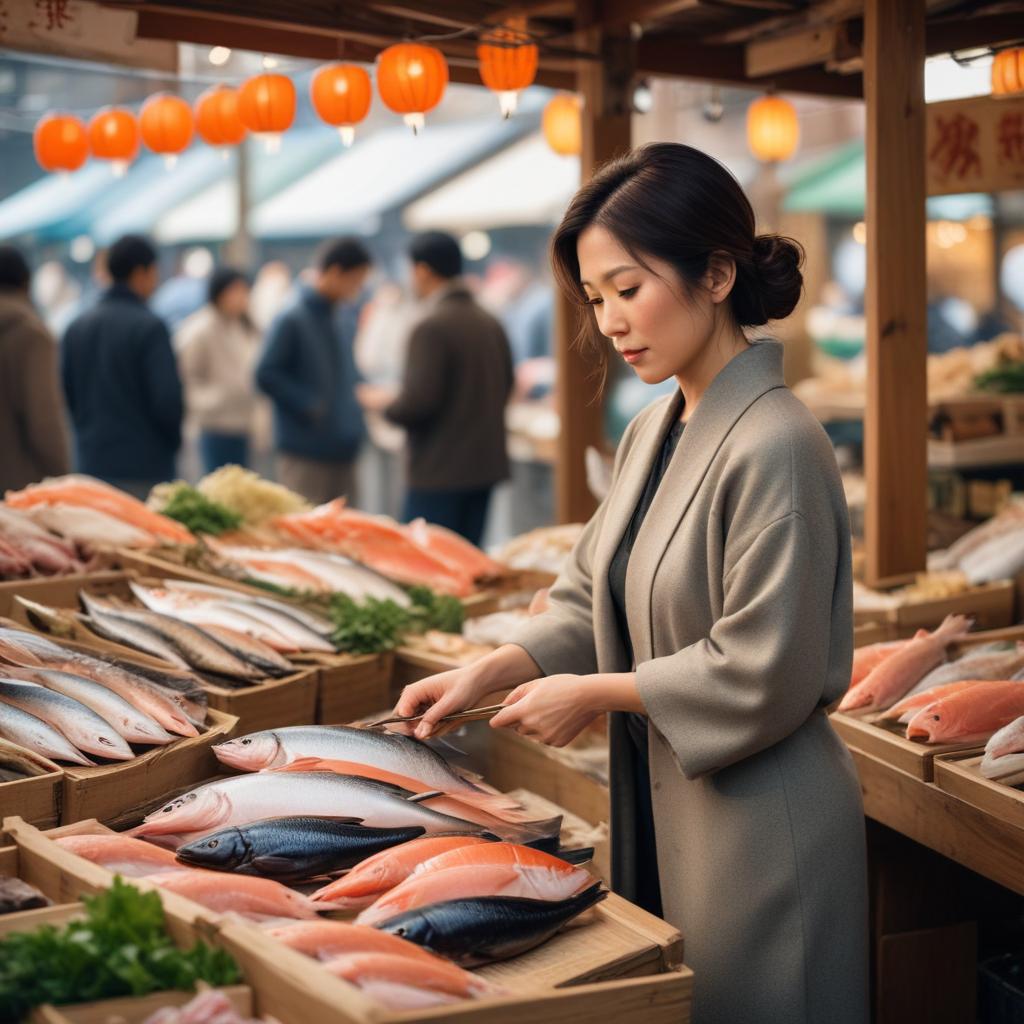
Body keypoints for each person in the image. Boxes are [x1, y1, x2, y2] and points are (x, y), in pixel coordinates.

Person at [391, 144, 868, 1024]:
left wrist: (594, 694)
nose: (610, 320)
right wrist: (491, 670)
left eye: (628, 287)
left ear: (717, 273)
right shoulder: (656, 425)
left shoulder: (781, 443)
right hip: (671, 802)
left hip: (765, 828)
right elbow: (588, 592)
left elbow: (764, 666)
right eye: (595, 297)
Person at [359, 232, 513, 545]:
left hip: (438, 471)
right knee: (470, 565)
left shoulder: (430, 325)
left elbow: (418, 403)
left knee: (427, 567)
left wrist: (383, 404)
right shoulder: (489, 320)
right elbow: (507, 384)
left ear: (423, 270)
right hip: (484, 465)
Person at [61, 234, 182, 498]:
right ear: (141, 273)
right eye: (154, 272)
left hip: (91, 463)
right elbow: (167, 401)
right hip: (144, 467)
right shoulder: (150, 326)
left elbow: (67, 393)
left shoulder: (77, 325)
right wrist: (172, 444)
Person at [255, 239, 371, 506]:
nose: (357, 290)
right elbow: (265, 373)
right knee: (307, 531)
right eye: (354, 281)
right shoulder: (291, 317)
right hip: (306, 448)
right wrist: (309, 405)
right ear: (334, 272)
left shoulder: (340, 316)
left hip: (343, 446)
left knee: (347, 532)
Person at [175, 267, 262, 473]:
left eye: (244, 291)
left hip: (242, 422)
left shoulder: (245, 326)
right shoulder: (198, 329)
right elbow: (186, 377)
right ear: (220, 292)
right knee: (215, 487)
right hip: (212, 425)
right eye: (236, 291)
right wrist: (213, 401)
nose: (242, 297)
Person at [0, 246, 70, 491]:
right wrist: (62, 477)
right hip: (18, 488)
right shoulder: (31, 335)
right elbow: (44, 419)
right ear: (26, 283)